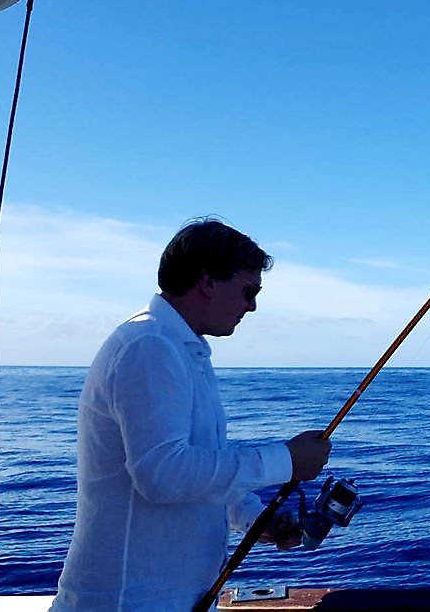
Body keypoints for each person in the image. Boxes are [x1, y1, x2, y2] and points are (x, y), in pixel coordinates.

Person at [51, 218, 331, 611]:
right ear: (208, 281)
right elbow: (163, 475)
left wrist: (255, 518)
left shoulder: (179, 349)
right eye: (249, 291)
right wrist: (286, 461)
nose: (252, 306)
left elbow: (195, 472)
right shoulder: (150, 346)